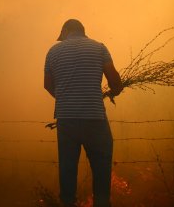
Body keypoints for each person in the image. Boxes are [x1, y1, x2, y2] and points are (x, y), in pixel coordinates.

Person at [44, 19, 123, 207]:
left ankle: (67, 203)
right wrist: (115, 90)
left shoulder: (53, 52)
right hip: (94, 119)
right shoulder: (99, 48)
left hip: (66, 119)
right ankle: (102, 203)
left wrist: (65, 97)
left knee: (68, 168)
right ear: (82, 31)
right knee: (101, 167)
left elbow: (47, 84)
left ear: (66, 32)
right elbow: (114, 80)